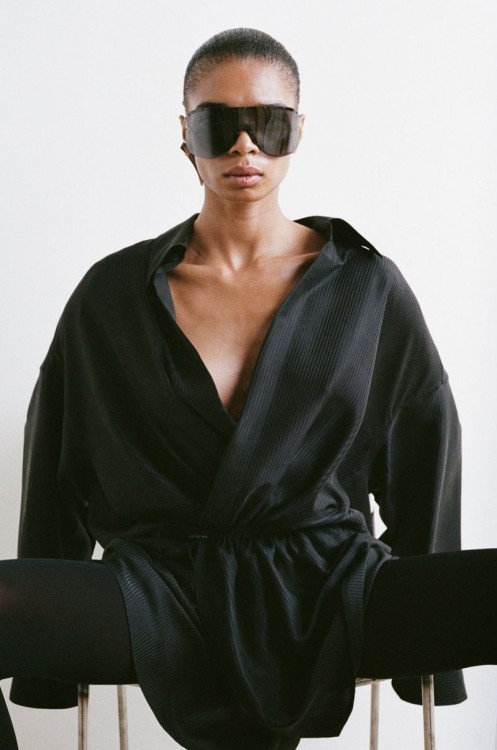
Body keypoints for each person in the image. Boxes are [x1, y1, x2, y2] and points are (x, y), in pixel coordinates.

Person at [1, 27, 496, 750]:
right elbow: (57, 465)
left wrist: (430, 653)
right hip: (158, 587)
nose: (244, 145)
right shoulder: (112, 293)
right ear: (184, 133)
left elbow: (424, 458)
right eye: (218, 123)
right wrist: (47, 667)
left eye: (268, 122)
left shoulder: (365, 286)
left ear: (299, 130)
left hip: (330, 585)